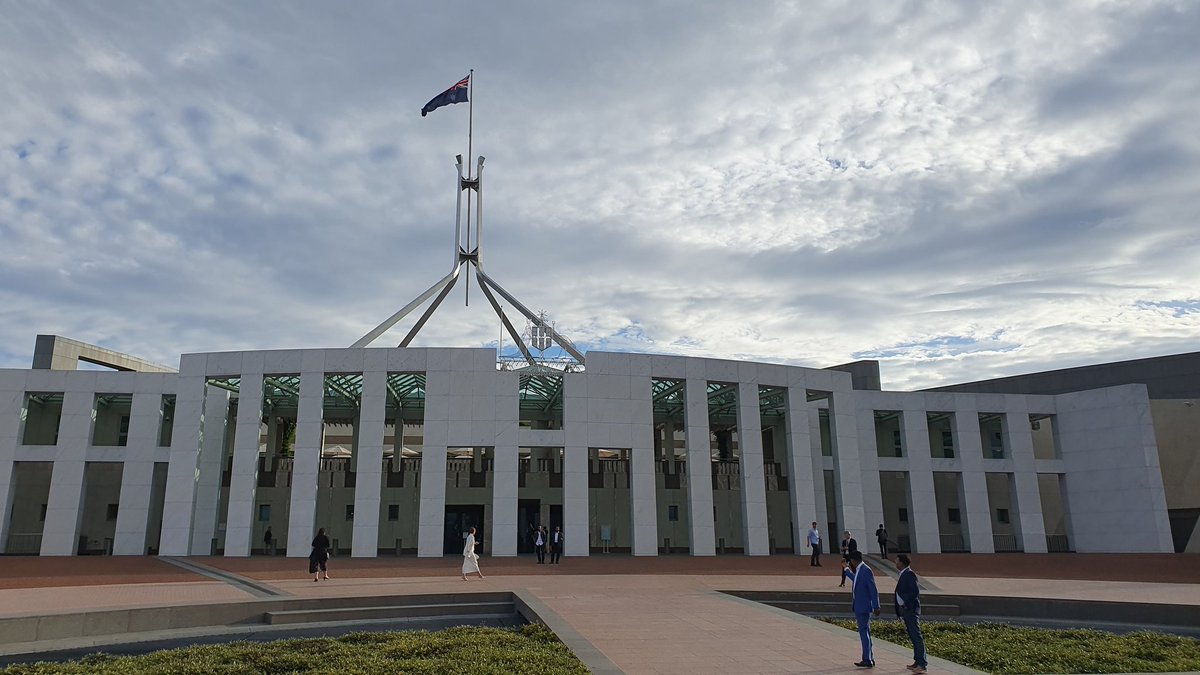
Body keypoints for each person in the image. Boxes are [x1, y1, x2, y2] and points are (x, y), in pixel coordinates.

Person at [894, 554, 928, 673]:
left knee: (916, 636)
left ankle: (922, 664)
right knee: (913, 637)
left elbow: (914, 592)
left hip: (911, 610)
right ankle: (917, 661)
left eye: (897, 561)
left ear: (902, 563)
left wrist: (906, 604)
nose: (895, 563)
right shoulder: (903, 574)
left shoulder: (909, 574)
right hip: (905, 610)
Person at [847, 550, 880, 668]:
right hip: (860, 605)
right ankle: (869, 657)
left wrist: (876, 605)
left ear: (853, 560)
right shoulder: (860, 570)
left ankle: (867, 659)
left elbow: (873, 589)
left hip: (864, 606)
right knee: (865, 631)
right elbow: (856, 581)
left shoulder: (866, 570)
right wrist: (847, 571)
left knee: (864, 632)